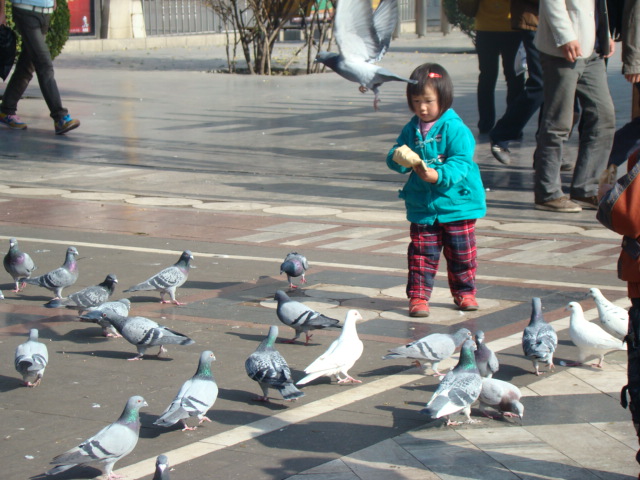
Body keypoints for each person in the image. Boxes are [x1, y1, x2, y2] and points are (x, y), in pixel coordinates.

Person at [386, 63, 487, 318]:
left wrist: (438, 175)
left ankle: (465, 292)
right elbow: (396, 153)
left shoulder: (455, 128)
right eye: (416, 100)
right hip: (423, 206)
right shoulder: (412, 129)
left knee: (462, 253)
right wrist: (398, 158)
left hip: (457, 205)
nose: (422, 107)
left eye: (428, 101)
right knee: (421, 254)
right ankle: (418, 297)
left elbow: (461, 162)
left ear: (444, 99)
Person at [532, 0, 615, 213]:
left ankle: (586, 189)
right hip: (564, 49)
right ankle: (547, 193)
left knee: (603, 116)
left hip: (593, 47)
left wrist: (605, 34)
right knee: (558, 121)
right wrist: (565, 36)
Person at [0, 0, 79, 134]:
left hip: (45, 14)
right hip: (25, 11)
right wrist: (1, 11)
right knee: (44, 65)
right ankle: (60, 117)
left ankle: (6, 110)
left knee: (27, 66)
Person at [489, 0, 543, 165]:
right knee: (541, 84)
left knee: (558, 89)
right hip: (535, 20)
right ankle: (501, 134)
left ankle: (548, 150)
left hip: (565, 24)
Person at [474, 0, 525, 135]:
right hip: (510, 26)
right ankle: (512, 124)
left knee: (488, 77)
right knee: (514, 77)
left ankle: (486, 123)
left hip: (489, 27)